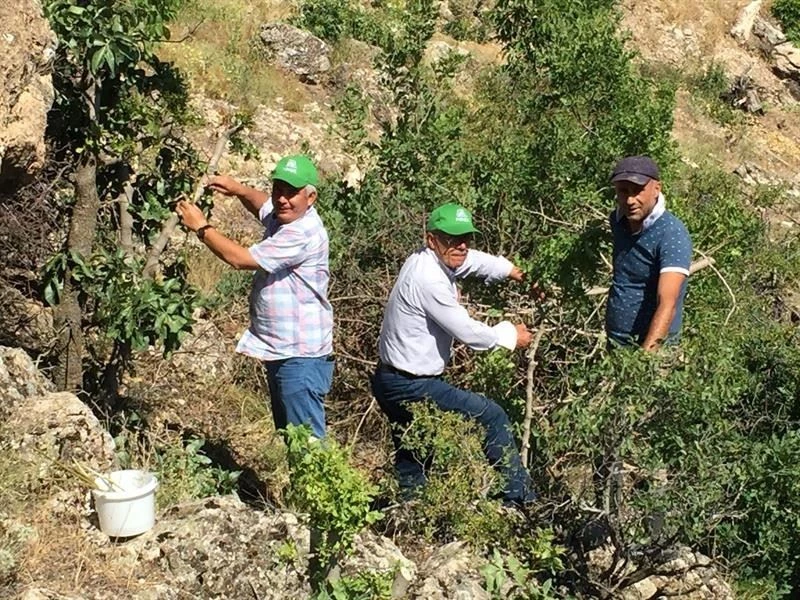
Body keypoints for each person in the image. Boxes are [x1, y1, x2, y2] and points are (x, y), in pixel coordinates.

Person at [371, 202, 536, 506]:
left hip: (390, 380)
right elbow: (467, 331)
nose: (460, 245)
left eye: (465, 238)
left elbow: (469, 260)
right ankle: (518, 500)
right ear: (431, 239)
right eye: (451, 238)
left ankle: (409, 514)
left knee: (415, 450)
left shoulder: (430, 259)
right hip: (411, 384)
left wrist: (512, 271)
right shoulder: (428, 279)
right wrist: (511, 335)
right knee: (491, 415)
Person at [176, 154, 334, 439]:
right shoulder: (285, 216)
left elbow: (240, 259)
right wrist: (239, 190)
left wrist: (200, 226)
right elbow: (264, 206)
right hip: (284, 349)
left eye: (292, 192)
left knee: (308, 445)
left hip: (300, 355)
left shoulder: (302, 232)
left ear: (311, 197)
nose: (283, 199)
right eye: (278, 190)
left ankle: (322, 485)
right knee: (292, 437)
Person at [605, 155, 692, 351]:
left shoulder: (672, 234)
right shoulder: (618, 221)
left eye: (638, 191)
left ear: (656, 189)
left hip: (652, 348)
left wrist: (646, 360)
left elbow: (667, 303)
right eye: (623, 191)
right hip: (617, 342)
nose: (630, 200)